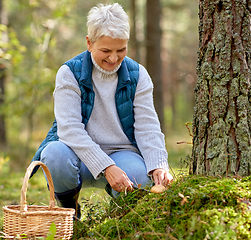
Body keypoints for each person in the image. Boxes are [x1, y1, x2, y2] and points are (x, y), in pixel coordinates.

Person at [30, 3, 173, 219]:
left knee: (140, 178)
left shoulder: (138, 75)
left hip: (123, 153)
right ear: (89, 43)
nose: (114, 58)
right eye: (105, 51)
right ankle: (70, 212)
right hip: (76, 155)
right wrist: (106, 167)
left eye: (121, 50)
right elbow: (69, 130)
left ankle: (120, 218)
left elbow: (148, 127)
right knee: (53, 154)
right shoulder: (69, 73)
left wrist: (158, 166)